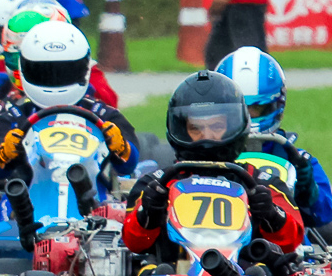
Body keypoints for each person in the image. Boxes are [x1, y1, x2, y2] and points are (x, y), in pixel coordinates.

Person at [0, 22, 140, 248]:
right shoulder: (14, 117)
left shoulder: (104, 115)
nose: (54, 79)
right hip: (24, 214)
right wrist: (4, 153)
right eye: (44, 72)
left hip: (94, 209)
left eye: (64, 71)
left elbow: (129, 165)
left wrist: (121, 147)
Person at [122, 71, 304, 261]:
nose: (206, 136)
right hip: (172, 273)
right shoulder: (157, 185)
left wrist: (271, 214)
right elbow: (134, 243)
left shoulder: (262, 184)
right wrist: (148, 212)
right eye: (196, 128)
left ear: (234, 126)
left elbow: (291, 242)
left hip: (246, 274)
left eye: (216, 127)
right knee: (148, 269)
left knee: (263, 271)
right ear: (182, 130)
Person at [214, 46, 332, 230]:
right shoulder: (207, 155)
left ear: (276, 104)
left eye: (257, 108)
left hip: (280, 238)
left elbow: (324, 215)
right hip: (220, 235)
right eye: (239, 108)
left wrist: (306, 188)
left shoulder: (295, 159)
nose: (248, 116)